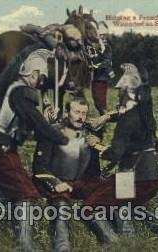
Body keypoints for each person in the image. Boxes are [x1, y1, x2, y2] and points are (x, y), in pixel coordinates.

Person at [0, 49, 69, 251]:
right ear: (33, 74)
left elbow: (24, 128)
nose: (40, 83)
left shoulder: (11, 88)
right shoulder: (20, 91)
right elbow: (37, 123)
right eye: (40, 78)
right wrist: (62, 138)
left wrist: (46, 123)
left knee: (11, 196)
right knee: (27, 194)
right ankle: (25, 246)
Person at [86, 63, 158, 243]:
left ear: (131, 92)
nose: (118, 93)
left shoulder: (129, 119)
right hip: (151, 175)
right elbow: (123, 111)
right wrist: (106, 117)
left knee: (91, 206)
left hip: (137, 177)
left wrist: (96, 145)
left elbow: (114, 153)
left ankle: (115, 243)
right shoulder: (144, 108)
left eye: (122, 90)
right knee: (126, 204)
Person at [33, 97, 120, 248]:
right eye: (77, 112)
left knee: (111, 192)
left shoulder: (89, 133)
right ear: (67, 113)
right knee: (60, 205)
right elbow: (39, 167)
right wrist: (55, 182)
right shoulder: (52, 131)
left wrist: (98, 145)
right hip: (59, 180)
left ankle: (116, 242)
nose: (81, 116)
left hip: (82, 181)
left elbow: (99, 163)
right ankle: (62, 245)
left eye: (84, 113)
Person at [91, 21, 115, 115]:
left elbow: (107, 62)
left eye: (104, 35)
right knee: (97, 102)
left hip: (102, 78)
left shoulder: (107, 48)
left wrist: (96, 66)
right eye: (100, 35)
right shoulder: (96, 48)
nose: (102, 37)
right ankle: (103, 118)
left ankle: (104, 121)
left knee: (101, 102)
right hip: (95, 78)